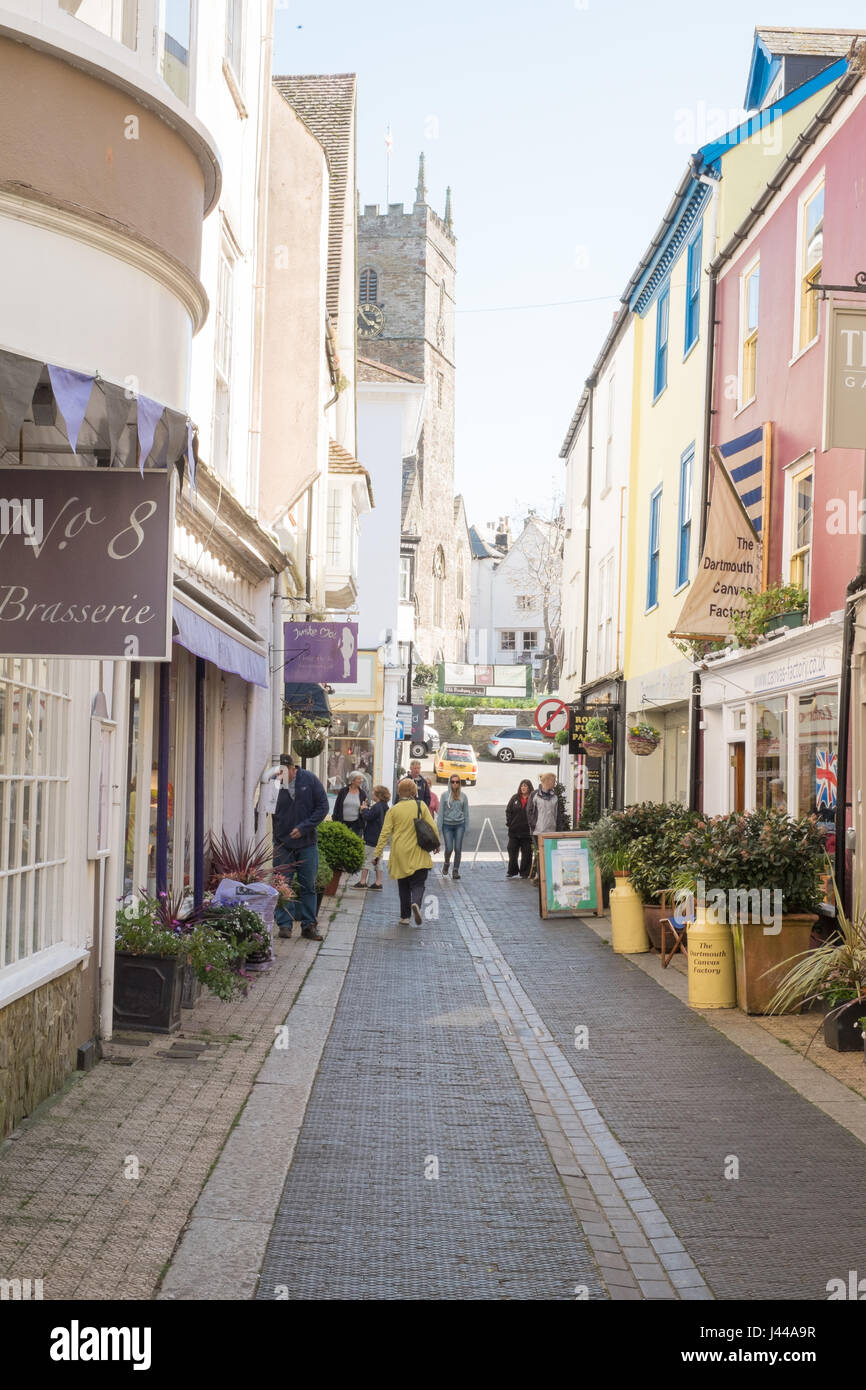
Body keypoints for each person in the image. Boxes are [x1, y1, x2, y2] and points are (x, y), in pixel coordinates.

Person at [272, 756, 330, 941]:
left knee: (308, 886)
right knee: (282, 885)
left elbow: (323, 807)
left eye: (282, 771)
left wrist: (304, 827)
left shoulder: (309, 779)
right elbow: (265, 807)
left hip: (307, 843)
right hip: (282, 843)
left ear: (291, 768)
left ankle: (308, 926)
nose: (280, 776)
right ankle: (284, 925)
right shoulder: (274, 784)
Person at [373, 777, 439, 926]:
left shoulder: (393, 810)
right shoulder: (420, 805)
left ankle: (405, 917)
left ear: (399, 792)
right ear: (413, 791)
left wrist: (377, 853)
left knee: (403, 885)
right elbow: (432, 826)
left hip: (400, 853)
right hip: (418, 851)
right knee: (418, 883)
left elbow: (384, 834)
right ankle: (415, 902)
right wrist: (437, 844)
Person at [353, 785, 391, 890]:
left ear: (378, 795)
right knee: (378, 860)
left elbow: (368, 817)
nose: (372, 794)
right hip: (380, 838)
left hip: (372, 837)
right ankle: (378, 882)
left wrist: (364, 809)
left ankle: (363, 881)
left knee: (366, 859)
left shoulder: (377, 806)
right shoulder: (385, 806)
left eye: (374, 793)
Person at [437, 774, 470, 879]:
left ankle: (455, 870)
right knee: (449, 848)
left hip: (459, 825)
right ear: (449, 783)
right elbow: (440, 813)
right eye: (453, 782)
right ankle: (446, 863)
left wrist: (467, 827)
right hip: (447, 826)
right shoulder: (444, 796)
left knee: (458, 848)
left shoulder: (463, 796)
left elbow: (466, 813)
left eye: (457, 782)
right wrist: (438, 829)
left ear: (460, 783)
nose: (455, 784)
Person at [505, 778, 534, 879]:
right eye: (522, 786)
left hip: (527, 832)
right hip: (514, 831)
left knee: (527, 853)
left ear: (529, 788)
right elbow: (508, 811)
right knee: (512, 851)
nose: (523, 788)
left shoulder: (532, 798)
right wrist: (510, 823)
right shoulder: (515, 798)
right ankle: (512, 871)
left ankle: (525, 872)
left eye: (525, 786)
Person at [331, 772, 367, 836]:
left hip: (356, 825)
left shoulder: (362, 793)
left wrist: (363, 810)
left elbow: (365, 808)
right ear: (352, 781)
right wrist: (334, 820)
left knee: (355, 844)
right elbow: (337, 806)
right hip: (342, 823)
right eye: (358, 779)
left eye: (361, 779)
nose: (360, 781)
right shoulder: (343, 791)